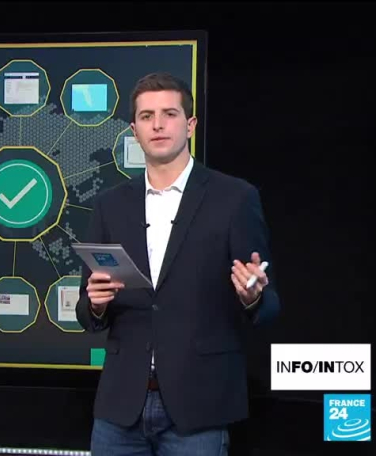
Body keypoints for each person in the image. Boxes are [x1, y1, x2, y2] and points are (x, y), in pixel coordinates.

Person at [75, 72, 281, 455]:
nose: (157, 124)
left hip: (199, 405)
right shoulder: (109, 205)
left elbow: (269, 307)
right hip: (120, 407)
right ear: (134, 130)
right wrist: (96, 305)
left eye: (169, 114)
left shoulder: (235, 198)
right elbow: (86, 313)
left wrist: (252, 296)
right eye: (146, 116)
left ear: (190, 125)